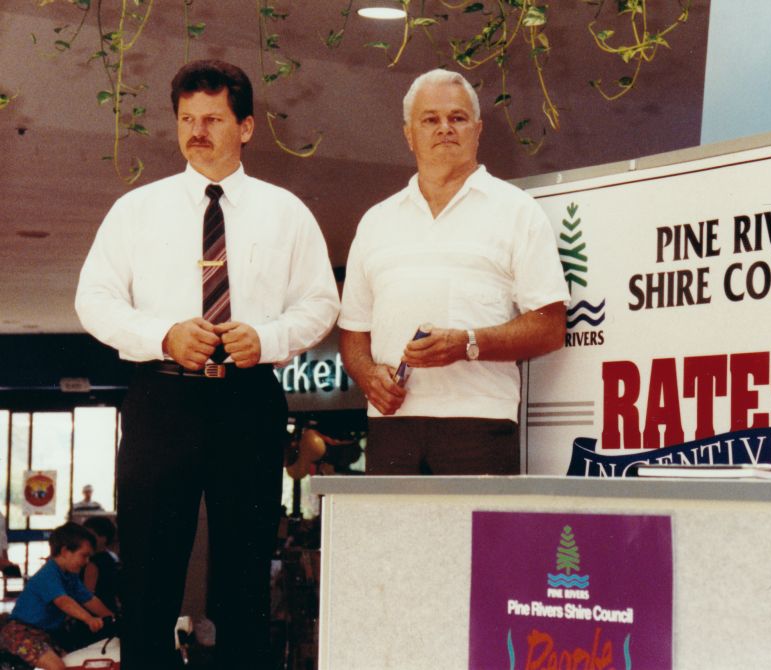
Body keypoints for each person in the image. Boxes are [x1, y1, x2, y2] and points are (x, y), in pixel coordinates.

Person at [75, 59, 340, 669]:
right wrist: (163, 335)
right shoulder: (136, 210)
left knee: (245, 573)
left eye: (213, 119)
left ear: (245, 127)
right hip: (160, 398)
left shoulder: (286, 212)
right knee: (148, 570)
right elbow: (94, 300)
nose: (197, 131)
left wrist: (268, 337)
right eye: (187, 119)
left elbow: (321, 303)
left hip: (248, 400)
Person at [339, 68, 568, 475]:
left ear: (477, 130)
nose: (444, 128)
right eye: (430, 119)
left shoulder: (517, 211)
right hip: (391, 424)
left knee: (474, 523)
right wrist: (368, 375)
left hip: (480, 422)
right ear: (409, 135)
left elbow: (549, 326)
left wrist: (468, 344)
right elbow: (354, 332)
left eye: (457, 118)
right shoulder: (376, 221)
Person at [0, 523, 114, 670]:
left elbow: (89, 599)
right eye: (84, 555)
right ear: (65, 551)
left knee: (74, 662)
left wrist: (111, 616)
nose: (87, 561)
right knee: (58, 667)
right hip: (21, 633)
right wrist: (89, 619)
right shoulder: (49, 574)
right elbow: (63, 601)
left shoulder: (70, 577)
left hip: (44, 635)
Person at [81, 517, 120, 616]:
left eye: (89, 536)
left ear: (103, 538)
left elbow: (86, 595)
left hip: (94, 616)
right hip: (109, 610)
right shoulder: (110, 558)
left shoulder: (93, 563)